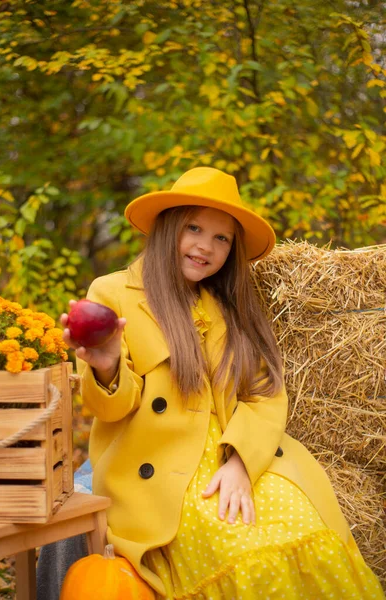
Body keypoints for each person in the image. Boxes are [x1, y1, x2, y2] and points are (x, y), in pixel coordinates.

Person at [57, 167, 384, 599]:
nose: (204, 246)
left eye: (221, 238)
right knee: (245, 547)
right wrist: (106, 365)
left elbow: (264, 393)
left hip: (232, 458)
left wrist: (240, 463)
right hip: (165, 475)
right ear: (168, 227)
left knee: (304, 530)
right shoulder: (114, 292)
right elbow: (109, 410)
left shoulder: (226, 306)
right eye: (193, 228)